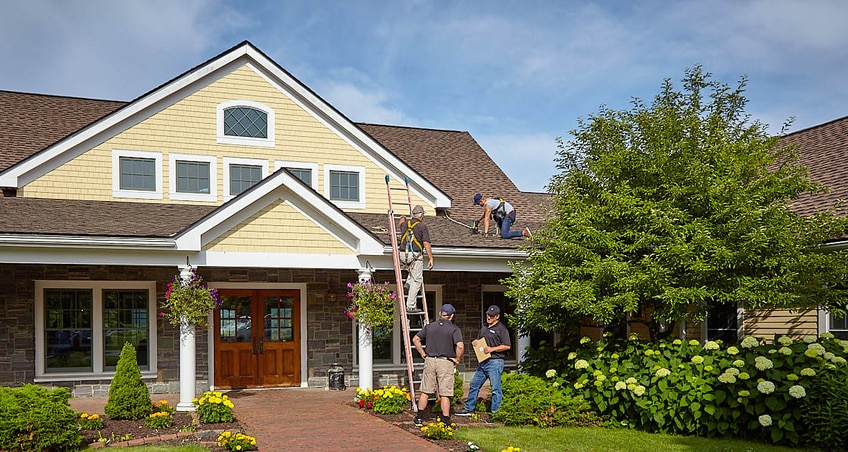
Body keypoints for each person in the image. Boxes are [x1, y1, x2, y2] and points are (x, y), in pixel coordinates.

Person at [412, 303, 464, 427]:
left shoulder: (430, 327)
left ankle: (419, 418)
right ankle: (445, 420)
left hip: (430, 360)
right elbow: (460, 346)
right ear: (451, 316)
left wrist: (423, 354)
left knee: (425, 390)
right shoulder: (454, 329)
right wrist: (457, 359)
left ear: (440, 314)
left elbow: (415, 339)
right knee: (445, 392)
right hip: (445, 361)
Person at [456, 305, 511, 418]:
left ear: (497, 316)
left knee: (495, 388)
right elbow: (480, 340)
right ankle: (469, 408)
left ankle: (495, 413)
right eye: (487, 315)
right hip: (483, 361)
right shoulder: (484, 327)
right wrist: (476, 341)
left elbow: (507, 346)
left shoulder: (502, 329)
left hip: (495, 362)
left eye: (491, 316)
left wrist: (492, 349)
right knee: (474, 384)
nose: (489, 317)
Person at [398, 204, 433, 312]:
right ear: (421, 215)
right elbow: (426, 243)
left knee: (413, 272)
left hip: (403, 254)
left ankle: (408, 284)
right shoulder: (422, 226)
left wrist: (402, 217)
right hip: (415, 256)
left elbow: (400, 222)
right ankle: (411, 305)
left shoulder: (405, 224)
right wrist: (431, 258)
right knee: (417, 280)